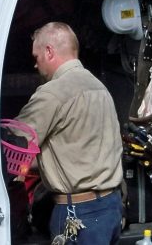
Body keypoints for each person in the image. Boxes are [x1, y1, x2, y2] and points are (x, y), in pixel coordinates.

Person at [14, 22, 123, 245]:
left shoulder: (52, 94)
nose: (36, 65)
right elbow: (74, 153)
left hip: (78, 214)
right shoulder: (100, 89)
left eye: (36, 57)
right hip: (111, 209)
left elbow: (14, 143)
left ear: (49, 51)